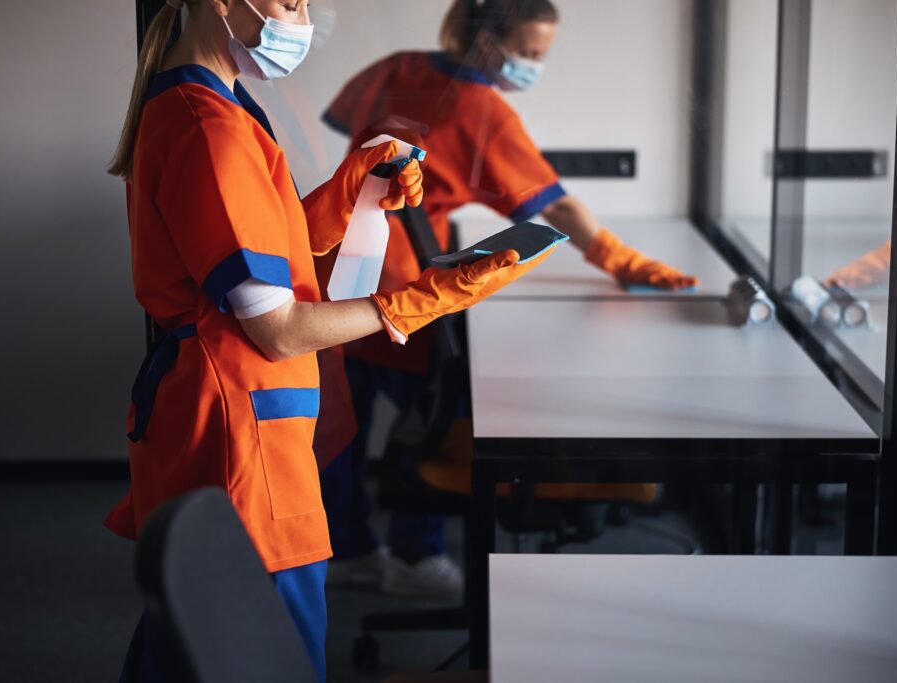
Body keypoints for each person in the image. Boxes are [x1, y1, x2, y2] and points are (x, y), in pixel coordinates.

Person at [103, 0, 552, 679]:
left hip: (234, 418)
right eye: (289, 1)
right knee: (255, 648)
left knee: (190, 638)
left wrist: (346, 194)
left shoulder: (213, 102)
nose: (302, 17)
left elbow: (254, 255)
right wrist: (421, 301)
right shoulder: (207, 128)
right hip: (241, 439)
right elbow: (277, 329)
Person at [319, 0, 695, 597]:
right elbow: (557, 205)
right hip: (401, 288)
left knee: (341, 421)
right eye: (531, 53)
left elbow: (347, 125)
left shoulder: (398, 66)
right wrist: (623, 260)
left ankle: (344, 550)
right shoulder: (481, 110)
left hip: (334, 260)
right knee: (434, 419)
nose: (535, 66)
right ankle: (416, 557)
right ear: (491, 43)